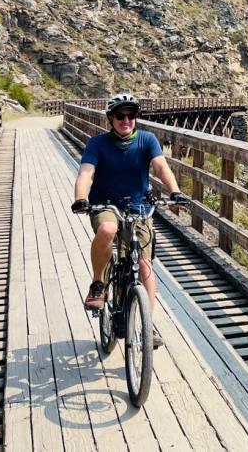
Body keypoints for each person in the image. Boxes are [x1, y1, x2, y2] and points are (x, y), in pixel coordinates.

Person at [70, 93, 186, 348]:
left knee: (144, 265)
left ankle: (147, 324)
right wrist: (81, 198)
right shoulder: (97, 143)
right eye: (120, 116)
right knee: (108, 229)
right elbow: (86, 173)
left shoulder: (147, 139)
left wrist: (175, 191)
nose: (126, 120)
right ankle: (98, 283)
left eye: (131, 115)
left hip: (139, 206)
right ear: (110, 118)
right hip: (105, 204)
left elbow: (161, 167)